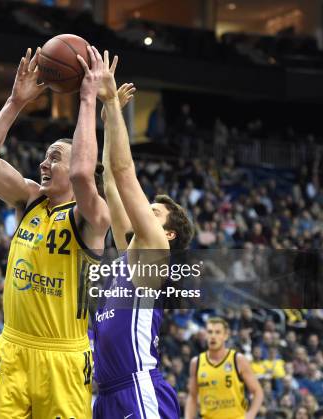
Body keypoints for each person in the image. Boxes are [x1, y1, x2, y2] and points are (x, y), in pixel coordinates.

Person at [0, 47, 111, 418]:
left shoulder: (92, 216)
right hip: (13, 347)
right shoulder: (31, 199)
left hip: (63, 355)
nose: (43, 163)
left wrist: (86, 97)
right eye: (45, 157)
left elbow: (84, 173)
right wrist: (16, 102)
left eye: (54, 158)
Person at [91, 49, 195, 418]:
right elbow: (108, 177)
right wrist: (109, 118)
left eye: (153, 213)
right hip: (105, 394)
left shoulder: (151, 254)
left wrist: (112, 106)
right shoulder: (127, 253)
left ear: (166, 235)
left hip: (139, 388)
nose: (144, 212)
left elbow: (123, 170)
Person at [185, 317, 264, 419]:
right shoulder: (196, 362)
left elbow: (258, 392)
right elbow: (192, 397)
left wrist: (250, 415)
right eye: (210, 332)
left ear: (225, 336)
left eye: (217, 332)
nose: (213, 336)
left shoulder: (238, 360)